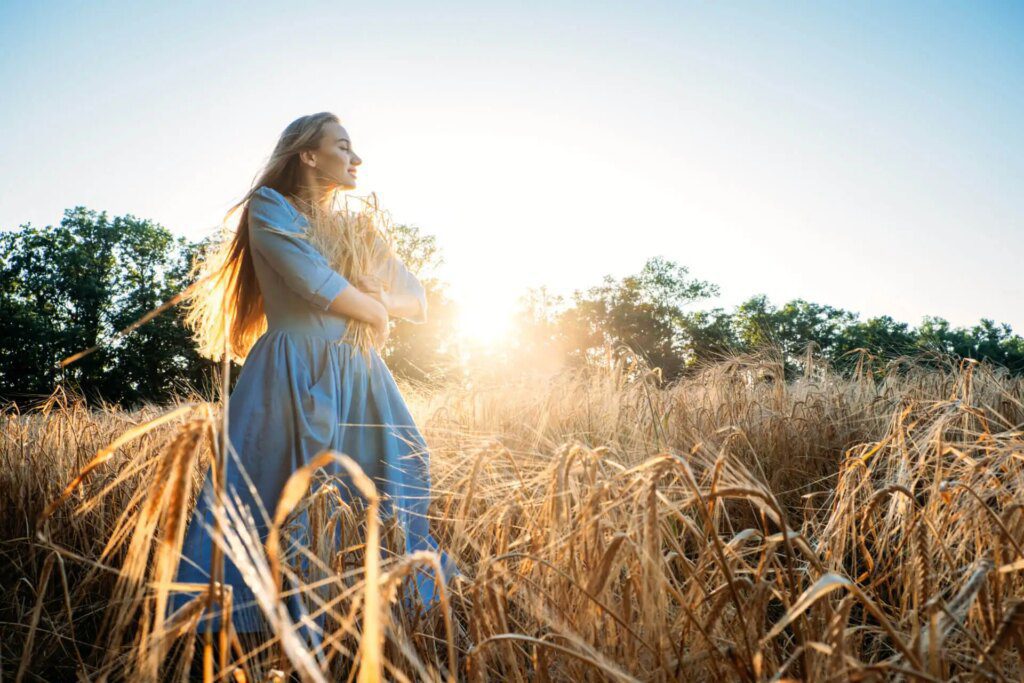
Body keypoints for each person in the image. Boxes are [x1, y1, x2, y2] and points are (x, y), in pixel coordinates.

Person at [171, 112, 459, 637]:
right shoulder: (270, 207)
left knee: (397, 474)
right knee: (269, 492)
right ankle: (251, 624)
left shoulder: (358, 227)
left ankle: (381, 613)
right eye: (343, 146)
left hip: (361, 374)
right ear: (308, 154)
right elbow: (311, 279)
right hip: (291, 371)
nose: (357, 159)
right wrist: (373, 312)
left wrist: (383, 302)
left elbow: (415, 300)